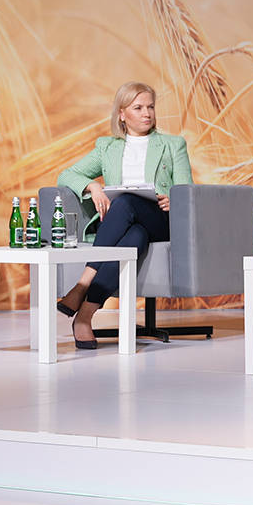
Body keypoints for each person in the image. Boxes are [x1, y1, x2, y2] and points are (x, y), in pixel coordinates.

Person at [54, 82, 191, 349]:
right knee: (135, 237)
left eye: (150, 107)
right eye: (138, 108)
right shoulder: (107, 147)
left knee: (127, 201)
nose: (147, 113)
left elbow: (187, 188)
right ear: (121, 113)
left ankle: (82, 284)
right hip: (127, 226)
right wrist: (92, 186)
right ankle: (85, 315)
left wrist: (174, 198)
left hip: (160, 220)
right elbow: (66, 175)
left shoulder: (172, 144)